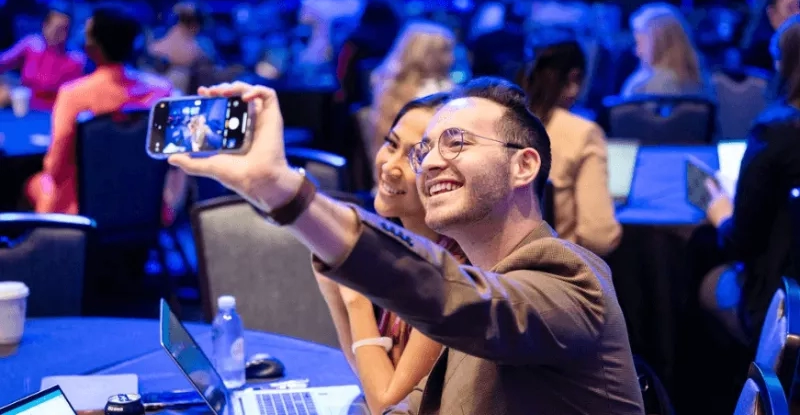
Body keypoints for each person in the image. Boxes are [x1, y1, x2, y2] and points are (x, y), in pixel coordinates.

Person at [169, 77, 644, 414]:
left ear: (523, 166)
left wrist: (281, 188)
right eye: (426, 150)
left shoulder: (570, 277)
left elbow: (456, 300)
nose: (430, 163)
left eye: (455, 143)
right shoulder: (481, 284)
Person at [315, 92, 467, 414]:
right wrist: (331, 282)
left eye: (414, 156)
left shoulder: (454, 270)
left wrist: (354, 297)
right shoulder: (401, 247)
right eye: (392, 144)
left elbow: (386, 403)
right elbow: (371, 379)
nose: (390, 166)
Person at [700, 14, 800, 343]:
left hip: (782, 301)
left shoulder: (776, 133)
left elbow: (741, 241)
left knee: (708, 283)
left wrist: (721, 214)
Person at [25, 3, 172, 214]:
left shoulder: (73, 95)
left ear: (93, 45)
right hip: (146, 208)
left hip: (85, 215)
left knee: (35, 184)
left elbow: (56, 169)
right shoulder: (161, 91)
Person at [520, 40, 621, 256]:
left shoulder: (498, 124)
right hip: (556, 274)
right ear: (574, 78)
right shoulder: (583, 133)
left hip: (493, 277)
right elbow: (599, 237)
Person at [367, 22, 455, 163]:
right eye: (445, 51)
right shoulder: (423, 94)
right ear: (424, 54)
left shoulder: (447, 87)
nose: (451, 59)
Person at [0, 0, 86, 111]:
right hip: (26, 110)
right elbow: (2, 62)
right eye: (54, 28)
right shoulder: (31, 45)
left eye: (63, 30)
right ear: (44, 25)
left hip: (59, 112)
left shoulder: (77, 59)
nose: (58, 34)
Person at [621, 3, 710, 97]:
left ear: (655, 45)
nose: (637, 52)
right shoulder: (707, 85)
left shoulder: (639, 86)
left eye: (639, 43)